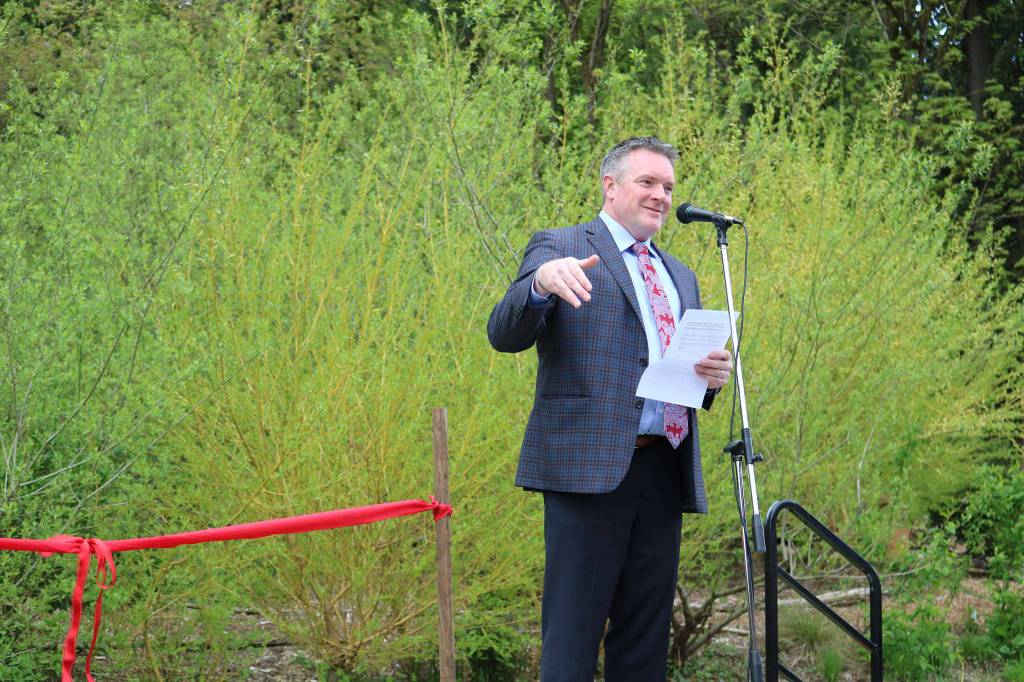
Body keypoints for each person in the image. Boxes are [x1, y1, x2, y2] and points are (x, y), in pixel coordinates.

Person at [487, 136, 733, 681]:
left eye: (668, 187)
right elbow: (503, 334)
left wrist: (710, 378)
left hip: (664, 469)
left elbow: (672, 368)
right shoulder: (562, 245)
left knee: (646, 643)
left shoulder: (681, 275)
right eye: (648, 182)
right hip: (587, 472)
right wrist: (538, 285)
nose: (662, 196)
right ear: (610, 185)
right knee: (572, 639)